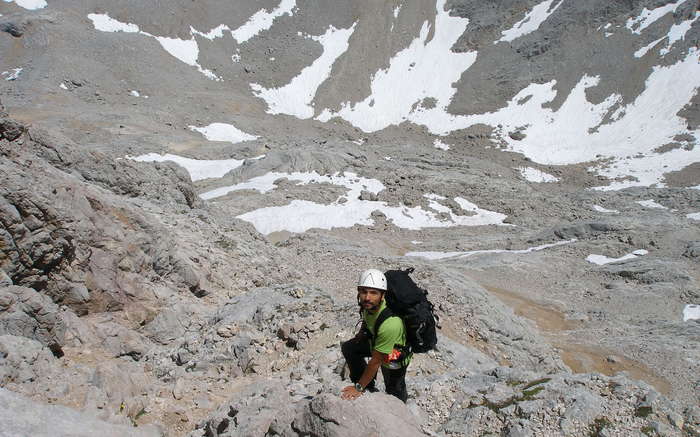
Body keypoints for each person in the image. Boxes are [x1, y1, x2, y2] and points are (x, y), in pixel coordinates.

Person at [340, 269, 411, 402]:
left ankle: (400, 406)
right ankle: (369, 385)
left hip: (394, 354)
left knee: (394, 389)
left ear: (382, 295)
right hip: (377, 343)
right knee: (350, 348)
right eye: (364, 291)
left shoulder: (391, 324)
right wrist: (361, 334)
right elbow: (368, 319)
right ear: (359, 292)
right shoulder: (369, 306)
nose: (367, 297)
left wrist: (358, 388)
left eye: (373, 293)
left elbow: (376, 361)